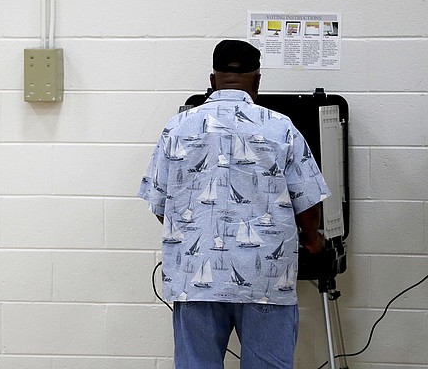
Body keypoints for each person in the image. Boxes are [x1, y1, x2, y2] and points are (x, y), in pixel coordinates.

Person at [138, 39, 329, 369]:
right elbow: (308, 202)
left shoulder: (177, 127)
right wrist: (312, 240)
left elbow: (159, 204)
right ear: (257, 80)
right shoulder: (280, 127)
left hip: (195, 280)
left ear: (212, 80)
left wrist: (189, 232)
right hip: (267, 279)